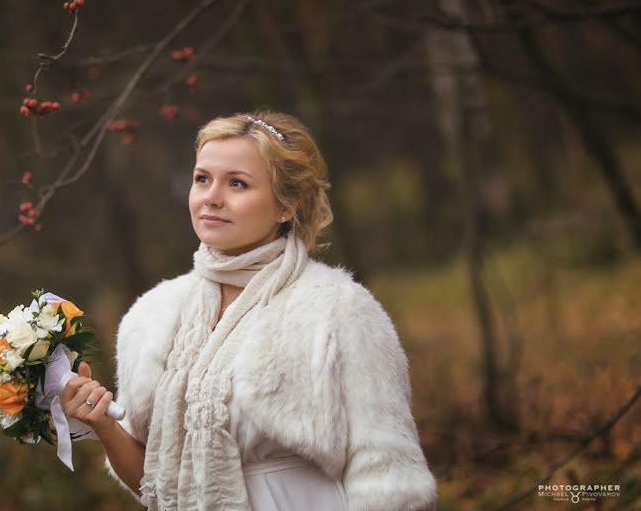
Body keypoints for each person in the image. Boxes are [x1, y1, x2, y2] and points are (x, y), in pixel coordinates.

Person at [61, 110, 438, 510]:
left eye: (237, 183)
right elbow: (156, 487)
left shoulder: (340, 308)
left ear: (286, 206)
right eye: (202, 179)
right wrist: (102, 423)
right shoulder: (151, 315)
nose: (212, 197)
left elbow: (389, 476)